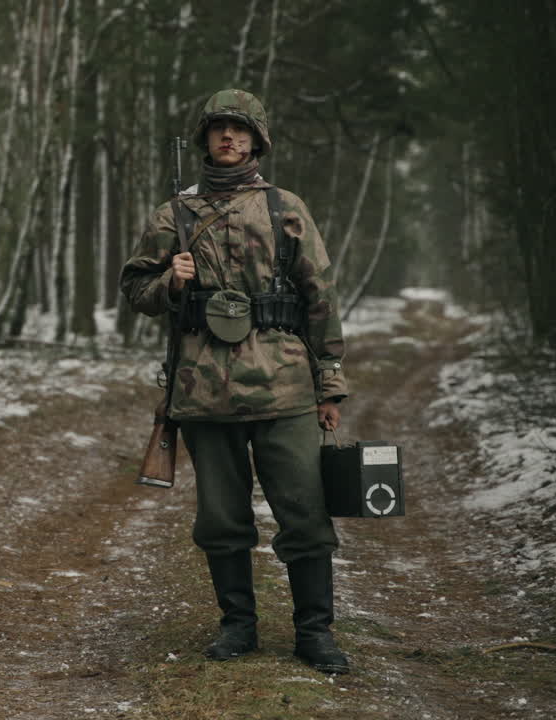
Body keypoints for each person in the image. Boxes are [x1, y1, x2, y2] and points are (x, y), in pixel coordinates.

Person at [119, 89, 350, 674]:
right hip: (203, 389)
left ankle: (315, 632)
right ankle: (238, 626)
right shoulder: (174, 215)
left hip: (285, 387)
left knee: (304, 514)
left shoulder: (284, 208)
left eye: (240, 130)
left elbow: (320, 296)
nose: (229, 138)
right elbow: (135, 292)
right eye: (220, 128)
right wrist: (171, 281)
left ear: (257, 140)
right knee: (222, 520)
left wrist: (330, 384)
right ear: (205, 139)